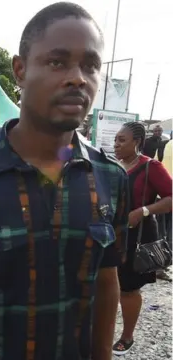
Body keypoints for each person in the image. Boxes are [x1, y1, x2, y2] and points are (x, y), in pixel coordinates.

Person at [0, 3, 128, 359]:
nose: (77, 78)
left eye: (91, 66)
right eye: (57, 62)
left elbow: (106, 282)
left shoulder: (110, 178)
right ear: (20, 70)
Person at [112, 122, 172, 355]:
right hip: (111, 235)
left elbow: (171, 198)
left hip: (137, 236)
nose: (116, 144)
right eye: (115, 139)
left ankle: (127, 337)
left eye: (122, 140)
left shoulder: (151, 167)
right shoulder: (112, 165)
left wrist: (143, 211)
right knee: (106, 283)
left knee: (128, 288)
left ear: (136, 142)